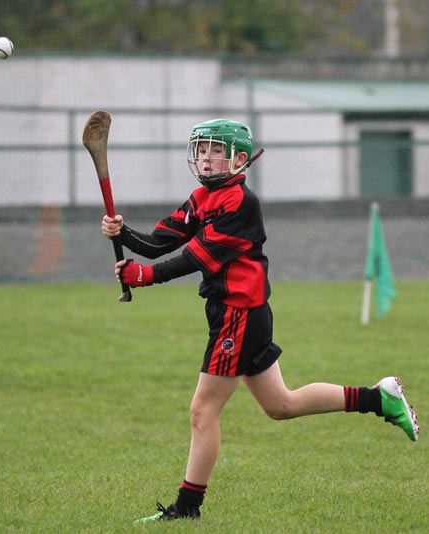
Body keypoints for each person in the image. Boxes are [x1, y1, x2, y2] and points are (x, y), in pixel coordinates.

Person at [101, 118, 419, 522]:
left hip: (240, 314)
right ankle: (379, 398)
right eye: (201, 150)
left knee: (203, 410)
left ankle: (187, 508)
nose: (206, 158)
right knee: (280, 405)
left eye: (216, 151)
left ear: (239, 159)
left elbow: (198, 256)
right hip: (235, 314)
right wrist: (122, 231)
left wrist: (145, 276)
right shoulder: (201, 198)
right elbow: (162, 239)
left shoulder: (240, 203)